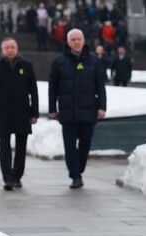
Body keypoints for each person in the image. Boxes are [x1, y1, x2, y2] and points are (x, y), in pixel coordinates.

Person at [48, 28, 107, 189]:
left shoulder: (94, 60)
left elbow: (100, 86)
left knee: (86, 143)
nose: (76, 42)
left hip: (88, 111)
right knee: (69, 145)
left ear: (83, 41)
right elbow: (52, 87)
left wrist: (102, 106)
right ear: (68, 42)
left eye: (78, 39)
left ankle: (79, 168)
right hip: (67, 112)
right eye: (73, 39)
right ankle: (75, 175)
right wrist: (52, 108)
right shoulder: (59, 61)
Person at [0, 37, 39, 191]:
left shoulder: (27, 66)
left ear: (17, 49)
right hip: (3, 113)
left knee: (21, 146)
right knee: (4, 146)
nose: (10, 50)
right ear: (2, 50)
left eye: (12, 47)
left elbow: (34, 92)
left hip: (23, 113)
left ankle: (17, 176)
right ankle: (7, 178)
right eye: (7, 47)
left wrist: (34, 113)